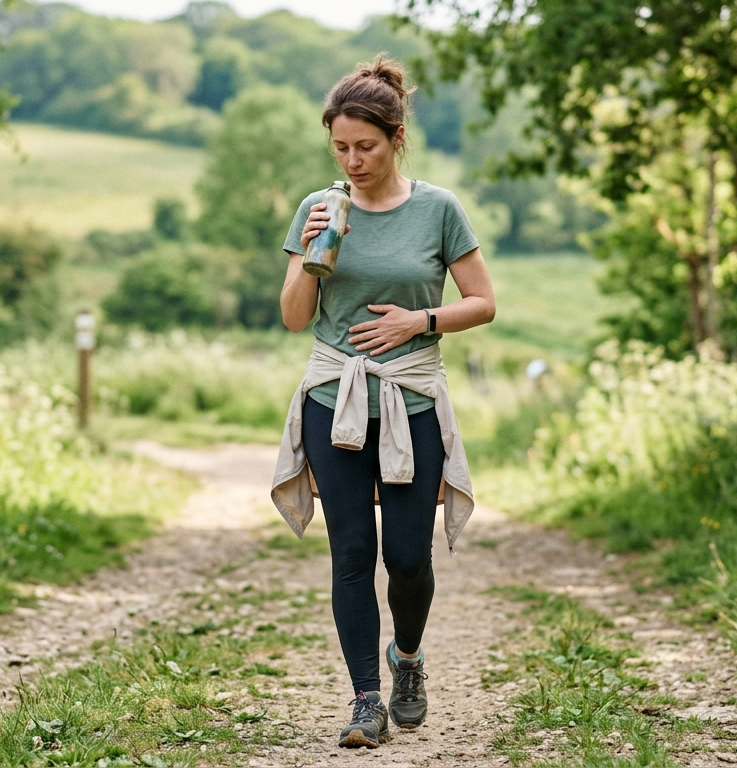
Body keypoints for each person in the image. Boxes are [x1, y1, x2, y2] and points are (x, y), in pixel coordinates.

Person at [270, 54, 496, 749]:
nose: (353, 159)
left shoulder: (438, 209)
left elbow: (483, 303)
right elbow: (292, 317)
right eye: (340, 147)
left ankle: (408, 658)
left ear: (397, 138)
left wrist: (415, 322)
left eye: (365, 146)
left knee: (406, 557)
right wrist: (313, 255)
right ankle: (366, 701)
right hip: (333, 397)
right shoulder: (320, 207)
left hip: (413, 401)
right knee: (351, 553)